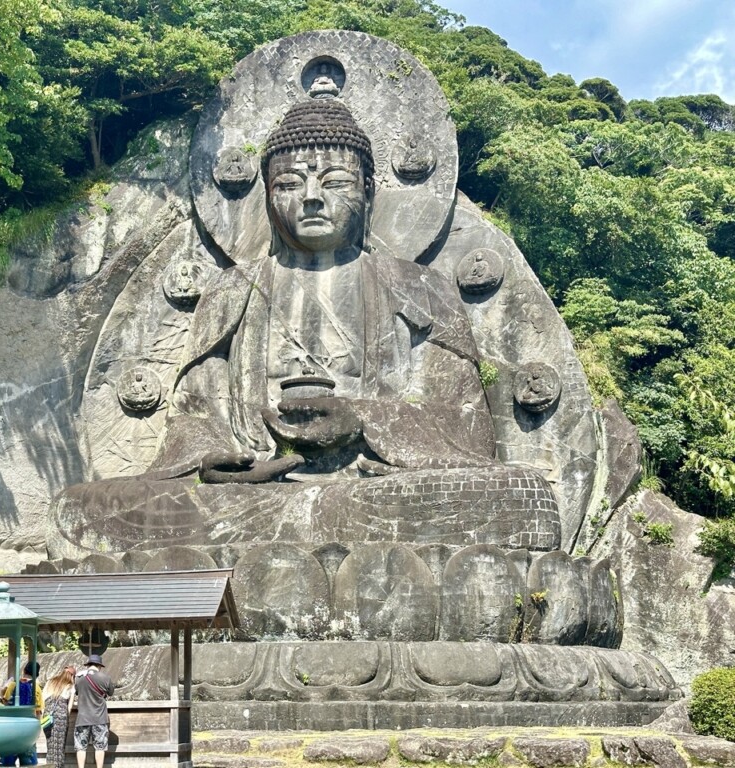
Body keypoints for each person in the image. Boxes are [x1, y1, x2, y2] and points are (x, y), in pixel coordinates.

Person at [52, 93, 560, 555]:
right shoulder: (231, 288)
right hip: (254, 498)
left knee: (522, 497)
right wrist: (217, 461)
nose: (312, 198)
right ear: (269, 198)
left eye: (335, 182)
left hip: (376, 488)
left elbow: (468, 429)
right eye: (290, 184)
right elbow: (194, 418)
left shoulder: (418, 285)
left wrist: (362, 420)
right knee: (88, 509)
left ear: (367, 193)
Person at [0, 660, 43, 766]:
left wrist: (2, 695)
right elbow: (39, 711)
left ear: (24, 670)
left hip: (12, 725)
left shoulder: (13, 684)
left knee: (8, 759)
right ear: (37, 674)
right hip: (28, 725)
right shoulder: (36, 688)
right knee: (29, 760)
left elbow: (6, 702)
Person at [74, 655, 114, 768]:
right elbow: (111, 692)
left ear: (88, 665)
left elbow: (76, 692)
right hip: (99, 718)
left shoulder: (79, 678)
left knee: (81, 747)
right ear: (99, 666)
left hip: (82, 718)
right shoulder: (105, 678)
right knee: (100, 747)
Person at [42, 665, 75, 768]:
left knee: (50, 745)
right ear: (72, 676)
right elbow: (69, 707)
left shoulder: (49, 682)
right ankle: (59, 766)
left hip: (47, 716)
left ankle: (50, 765)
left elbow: (42, 701)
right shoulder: (70, 685)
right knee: (60, 747)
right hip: (61, 716)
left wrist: (44, 715)